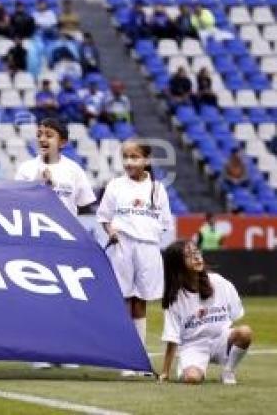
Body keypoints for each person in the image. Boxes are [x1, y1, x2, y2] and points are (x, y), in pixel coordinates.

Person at [15, 118, 96, 369]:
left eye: (49, 135)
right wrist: (40, 188)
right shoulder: (26, 169)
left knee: (68, 296)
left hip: (66, 242)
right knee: (39, 295)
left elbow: (84, 205)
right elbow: (15, 204)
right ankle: (40, 351)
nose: (42, 139)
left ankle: (68, 350)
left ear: (63, 142)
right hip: (36, 241)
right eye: (40, 134)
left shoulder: (74, 170)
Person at [97, 139, 172, 377]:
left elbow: (164, 223)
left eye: (135, 157)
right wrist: (112, 232)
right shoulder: (115, 185)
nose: (129, 162)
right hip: (122, 246)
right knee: (124, 299)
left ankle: (139, 356)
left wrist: (147, 235)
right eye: (126, 157)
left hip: (148, 248)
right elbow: (104, 217)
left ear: (146, 160)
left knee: (141, 301)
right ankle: (125, 356)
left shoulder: (158, 188)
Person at [159, 240, 253, 385]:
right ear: (177, 264)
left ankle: (228, 371)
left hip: (220, 340)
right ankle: (191, 367)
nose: (197, 257)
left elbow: (235, 316)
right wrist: (165, 372)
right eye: (189, 255)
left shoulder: (220, 283)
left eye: (197, 252)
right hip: (193, 346)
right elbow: (172, 338)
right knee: (192, 379)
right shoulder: (175, 298)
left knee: (245, 332)